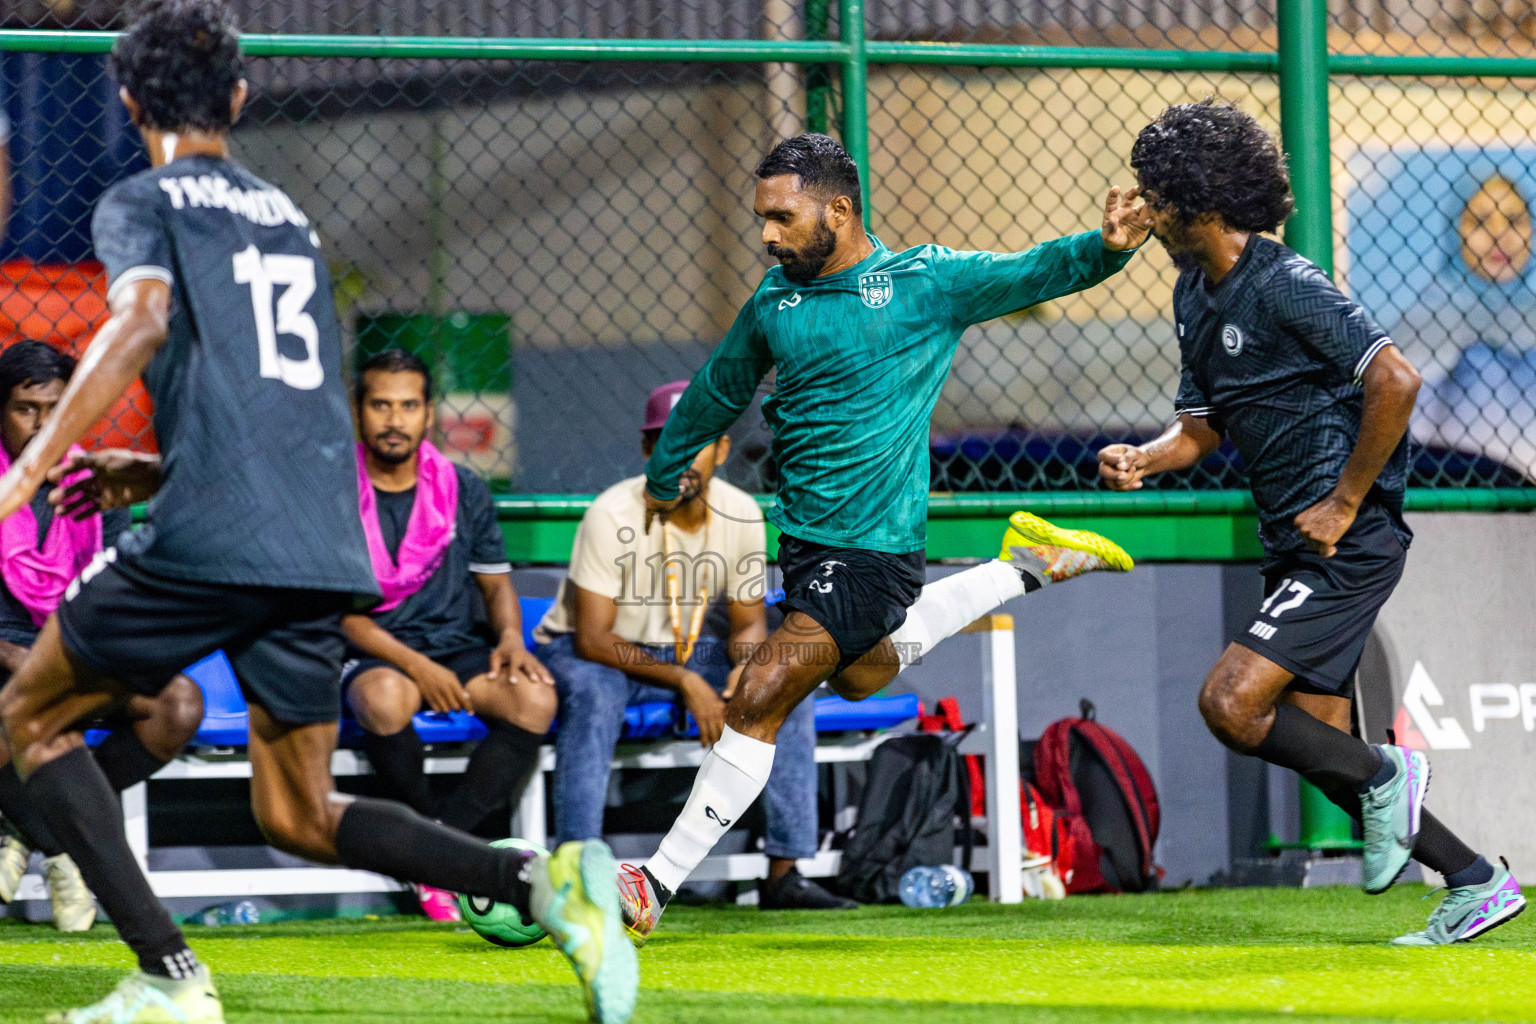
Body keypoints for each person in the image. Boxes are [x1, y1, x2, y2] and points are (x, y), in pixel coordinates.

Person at [0, 5, 635, 1023]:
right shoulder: (286, 216)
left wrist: (28, 470)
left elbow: (143, 319)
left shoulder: (142, 196)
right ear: (240, 100)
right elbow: (278, 402)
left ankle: (169, 978)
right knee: (299, 812)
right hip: (312, 535)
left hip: (211, 539)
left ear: (128, 103)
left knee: (26, 714)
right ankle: (541, 886)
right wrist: (155, 470)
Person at [617, 132, 1145, 941]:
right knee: (863, 677)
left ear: (840, 209)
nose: (766, 235)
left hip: (875, 549)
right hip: (808, 544)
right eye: (760, 218)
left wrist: (1103, 250)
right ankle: (1024, 567)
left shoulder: (923, 283)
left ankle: (654, 882)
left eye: (782, 218)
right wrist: (665, 472)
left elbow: (1028, 270)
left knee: (759, 690)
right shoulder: (775, 300)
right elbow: (720, 388)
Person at [1101, 99, 1525, 945]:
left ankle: (1397, 774)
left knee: (1230, 702)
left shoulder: (1287, 282)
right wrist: (1147, 457)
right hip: (1295, 541)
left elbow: (1396, 381)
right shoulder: (1195, 292)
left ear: (1200, 201)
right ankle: (1477, 881)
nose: (1143, 206)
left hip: (1346, 540)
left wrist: (1342, 501)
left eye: (1156, 192)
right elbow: (1201, 427)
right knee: (1327, 754)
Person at [536, 380, 854, 911]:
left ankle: (784, 872)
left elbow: (748, 623)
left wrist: (745, 669)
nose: (681, 454)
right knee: (595, 694)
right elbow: (593, 638)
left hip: (689, 652)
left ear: (722, 449)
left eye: (697, 440)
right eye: (667, 441)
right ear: (646, 451)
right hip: (599, 653)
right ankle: (577, 868)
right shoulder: (611, 513)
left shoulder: (742, 513)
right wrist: (685, 682)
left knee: (782, 687)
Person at [344, 348, 556, 922]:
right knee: (384, 699)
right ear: (357, 410)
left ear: (429, 414)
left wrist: (511, 637)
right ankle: (426, 853)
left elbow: (494, 586)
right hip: (375, 651)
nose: (394, 419)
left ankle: (436, 848)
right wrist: (418, 667)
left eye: (408, 406)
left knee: (534, 697)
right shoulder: (334, 492)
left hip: (457, 648)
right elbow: (340, 616)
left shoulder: (463, 488)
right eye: (381, 405)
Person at [0, 342, 204, 933]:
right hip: (6, 654)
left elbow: (107, 595)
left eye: (58, 409)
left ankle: (30, 828)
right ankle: (64, 849)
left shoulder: (97, 481)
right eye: (25, 409)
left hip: (67, 650)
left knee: (177, 703)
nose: (43, 426)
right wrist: (24, 658)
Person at [1395, 171, 1536, 479]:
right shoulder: (1425, 320)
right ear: (1454, 231)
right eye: (1481, 221)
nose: (1501, 236)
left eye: (1514, 221)